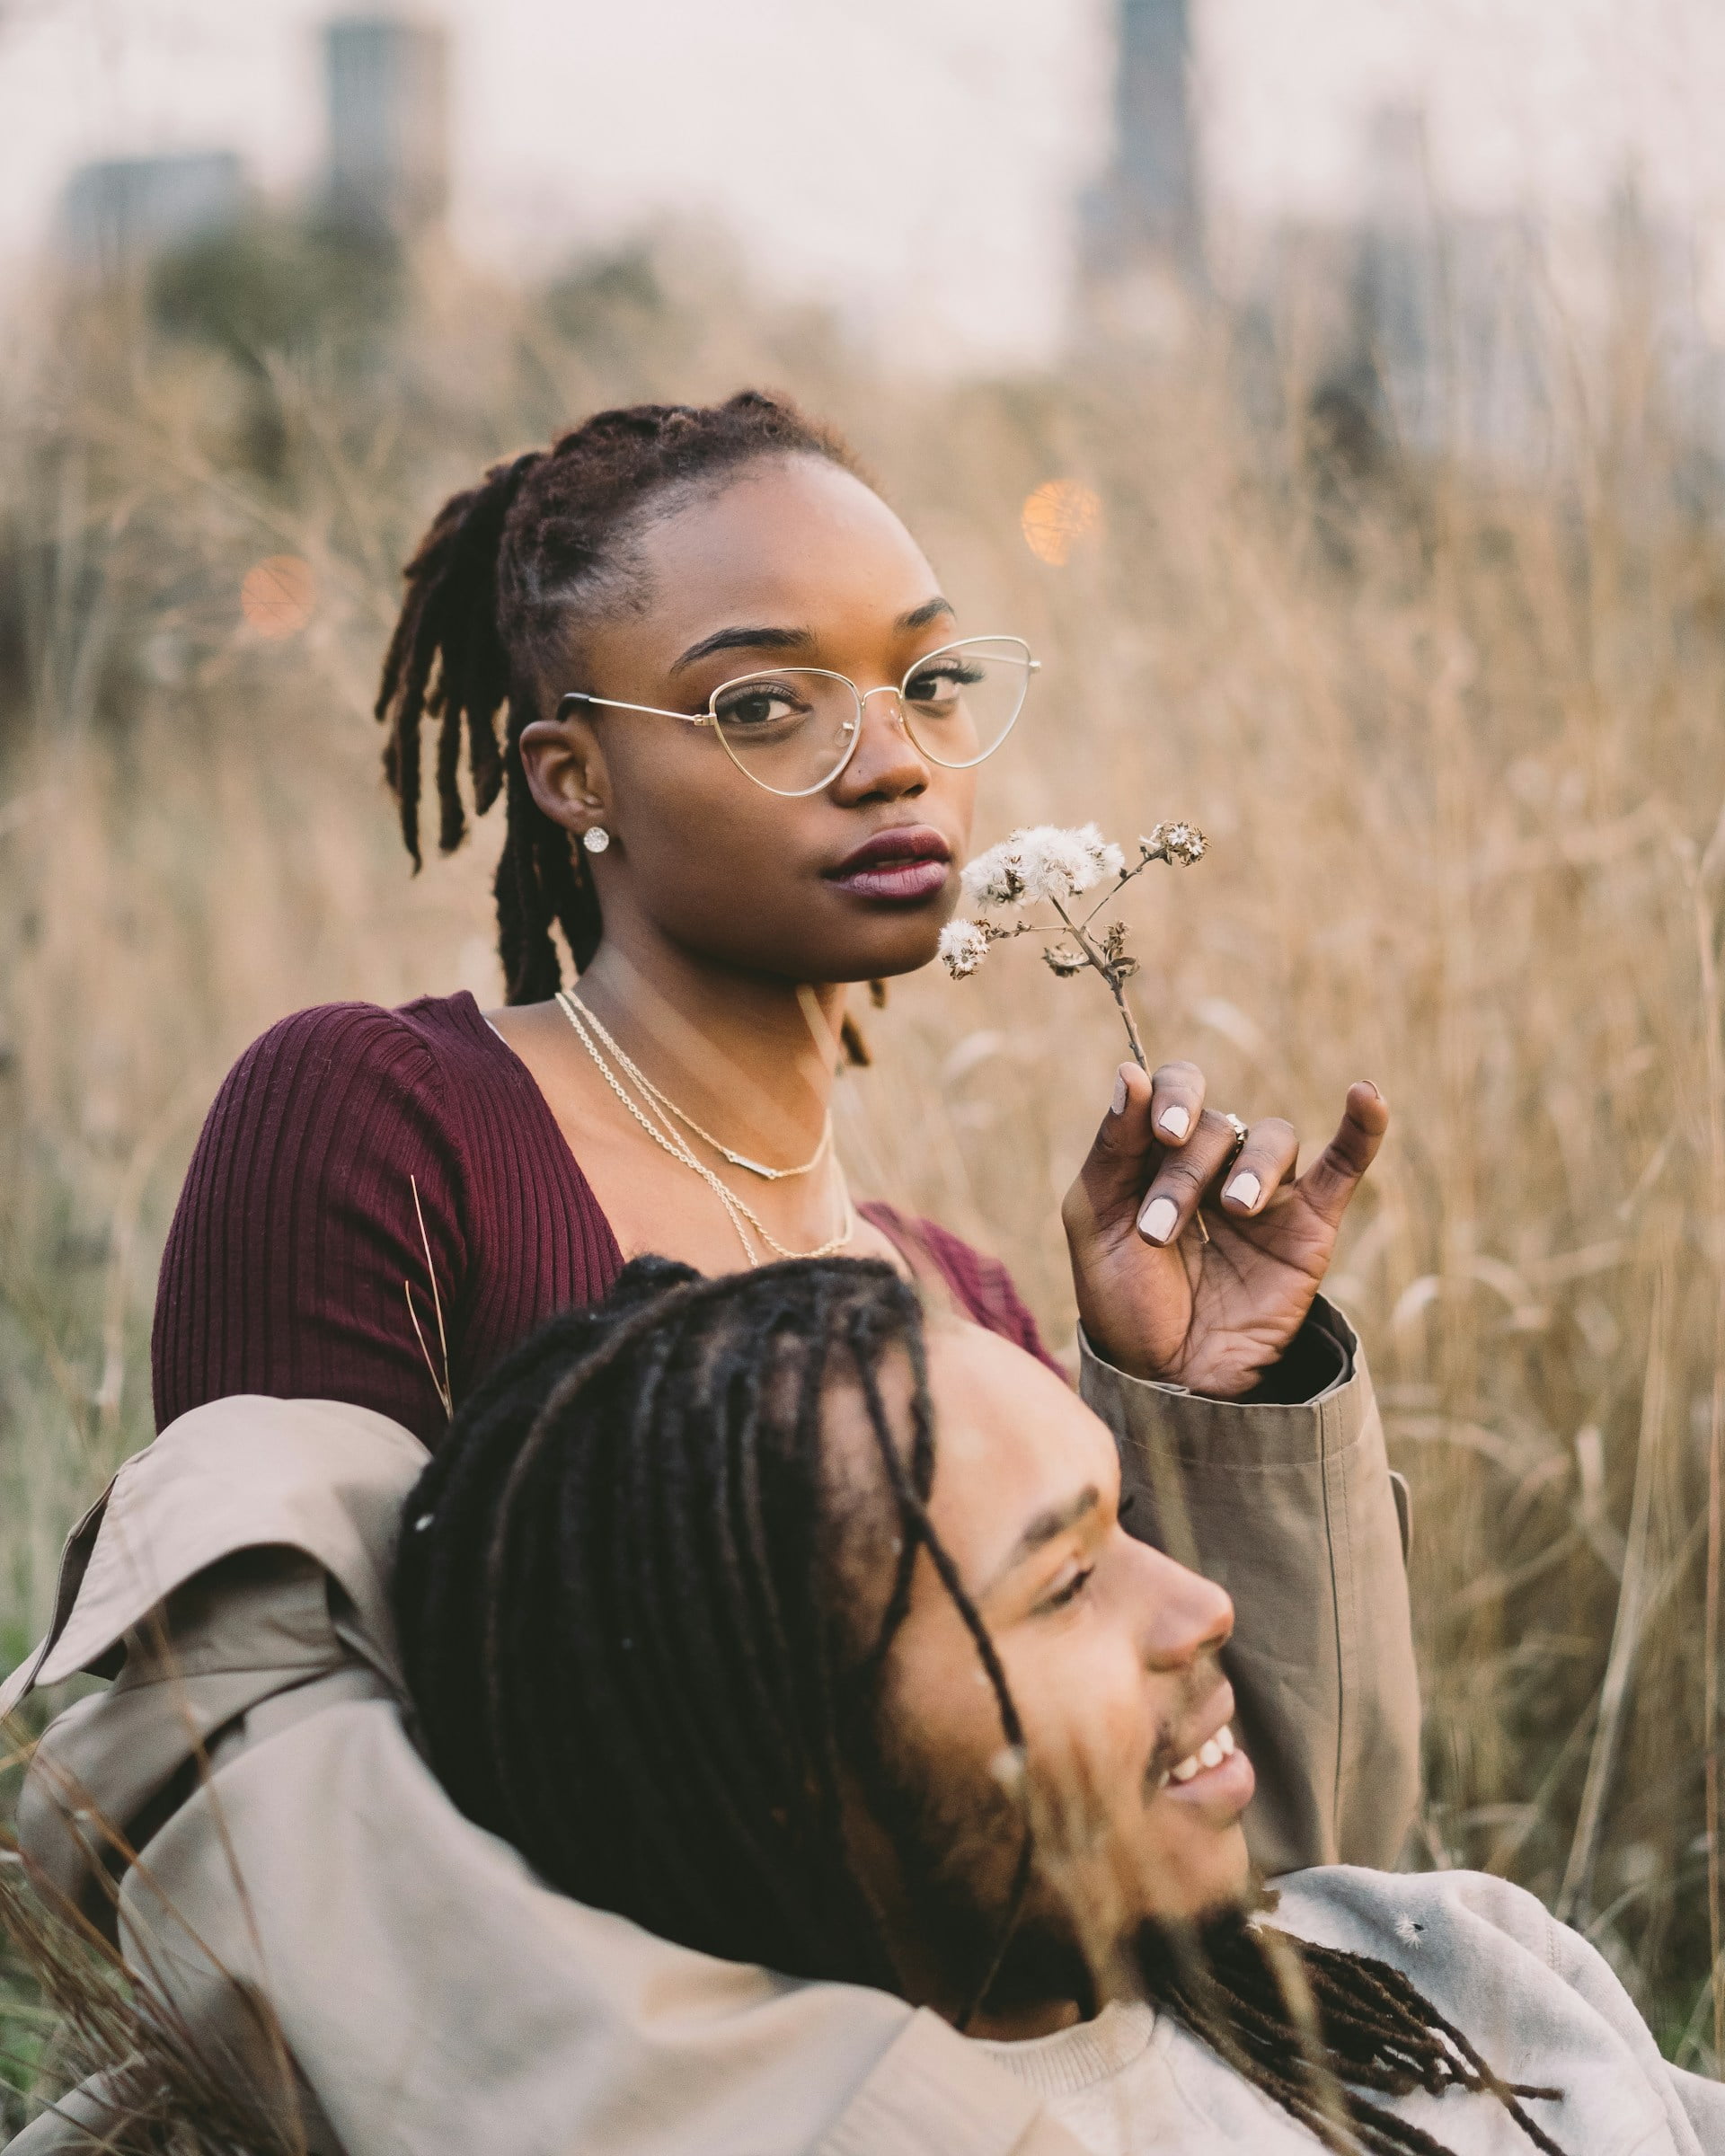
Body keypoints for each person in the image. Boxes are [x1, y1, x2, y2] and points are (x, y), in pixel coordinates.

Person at [394, 1256, 1725, 2156]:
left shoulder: (1436, 1957)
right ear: (785, 1770)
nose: (1203, 1604)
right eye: (1068, 1579)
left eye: (1128, 1518)